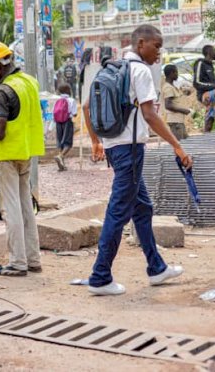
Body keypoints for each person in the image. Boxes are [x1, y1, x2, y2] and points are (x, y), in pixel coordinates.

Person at [83, 25, 191, 296]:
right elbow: (150, 115)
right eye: (156, 46)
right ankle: (100, 276)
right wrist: (177, 146)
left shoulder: (111, 68)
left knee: (142, 208)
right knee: (118, 211)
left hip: (114, 148)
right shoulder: (139, 71)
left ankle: (156, 267)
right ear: (141, 43)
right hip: (130, 150)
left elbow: (85, 106)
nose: (159, 52)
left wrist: (96, 141)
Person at [0, 42, 44, 277]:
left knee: (11, 208)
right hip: (26, 152)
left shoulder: (2, 92)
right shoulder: (29, 82)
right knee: (26, 206)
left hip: (7, 156)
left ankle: (17, 262)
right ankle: (32, 258)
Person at [162, 64, 190, 141]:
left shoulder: (172, 86)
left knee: (185, 143)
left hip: (178, 121)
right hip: (175, 122)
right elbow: (168, 105)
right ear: (171, 73)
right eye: (176, 72)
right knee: (179, 144)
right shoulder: (168, 87)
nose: (177, 74)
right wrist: (183, 110)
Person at [54, 84, 77, 171]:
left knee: (60, 142)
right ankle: (60, 156)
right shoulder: (71, 100)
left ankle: (62, 164)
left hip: (58, 123)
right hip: (67, 122)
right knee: (68, 143)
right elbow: (74, 113)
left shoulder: (57, 100)